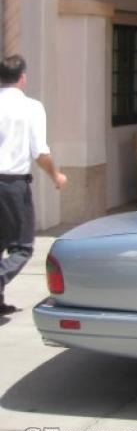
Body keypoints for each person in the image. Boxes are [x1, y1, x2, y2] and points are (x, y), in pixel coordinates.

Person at [0, 55, 66, 315]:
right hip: (12, 185)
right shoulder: (31, 108)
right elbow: (40, 152)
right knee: (22, 246)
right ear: (23, 77)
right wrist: (56, 176)